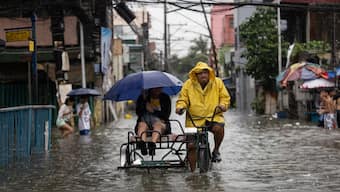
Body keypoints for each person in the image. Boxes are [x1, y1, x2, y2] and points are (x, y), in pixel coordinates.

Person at [175, 61, 230, 171]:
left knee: (219, 128)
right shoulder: (188, 84)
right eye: (200, 73)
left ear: (209, 73)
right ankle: (192, 173)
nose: (203, 75)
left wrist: (223, 105)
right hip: (193, 120)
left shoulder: (217, 82)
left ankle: (216, 150)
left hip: (213, 117)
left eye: (205, 72)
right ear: (195, 75)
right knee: (191, 146)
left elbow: (225, 98)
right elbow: (183, 99)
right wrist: (180, 107)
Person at [135, 87, 171, 156]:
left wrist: (153, 110)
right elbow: (138, 113)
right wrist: (144, 102)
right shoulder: (142, 97)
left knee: (158, 125)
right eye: (155, 88)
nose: (158, 89)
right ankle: (142, 144)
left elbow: (166, 115)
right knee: (142, 125)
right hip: (145, 123)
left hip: (161, 124)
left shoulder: (165, 98)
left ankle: (152, 145)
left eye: (160, 88)